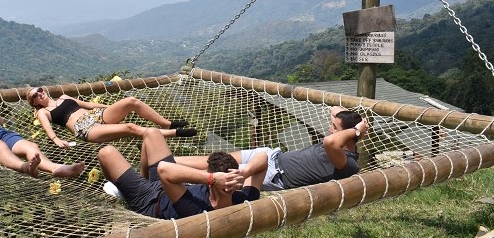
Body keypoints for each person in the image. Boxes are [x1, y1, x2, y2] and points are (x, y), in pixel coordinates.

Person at [176, 106, 368, 191]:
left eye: (333, 128)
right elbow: (335, 109)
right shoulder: (341, 139)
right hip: (270, 154)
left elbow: (330, 143)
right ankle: (165, 163)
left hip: (273, 173)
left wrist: (356, 131)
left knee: (210, 174)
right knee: (215, 158)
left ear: (348, 134)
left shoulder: (348, 163)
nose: (329, 129)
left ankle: (166, 174)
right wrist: (359, 124)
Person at [97, 127, 267, 219]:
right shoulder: (243, 199)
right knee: (152, 133)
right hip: (173, 185)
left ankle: (126, 192)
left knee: (106, 152)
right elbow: (263, 157)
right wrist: (245, 172)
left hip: (149, 202)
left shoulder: (198, 212)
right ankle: (140, 180)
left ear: (215, 181)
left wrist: (212, 178)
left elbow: (164, 169)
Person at [27, 87, 196, 147]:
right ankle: (176, 133)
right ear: (34, 102)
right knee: (130, 127)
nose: (39, 94)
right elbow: (48, 129)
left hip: (97, 115)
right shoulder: (43, 112)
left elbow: (90, 105)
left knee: (131, 101)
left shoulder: (64, 97)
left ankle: (167, 124)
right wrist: (56, 140)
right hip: (87, 129)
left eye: (39, 90)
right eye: (35, 95)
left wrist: (113, 108)